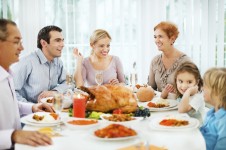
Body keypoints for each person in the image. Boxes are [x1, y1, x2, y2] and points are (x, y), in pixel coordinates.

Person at [0, 18, 53, 149]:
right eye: (16, 42)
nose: (22, 47)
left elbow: (10, 105)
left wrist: (32, 108)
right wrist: (13, 135)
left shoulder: (7, 75)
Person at [12, 25, 68, 103]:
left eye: (62, 40)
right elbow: (12, 92)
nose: (62, 44)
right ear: (44, 43)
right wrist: (32, 107)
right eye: (58, 40)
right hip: (30, 113)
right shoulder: (26, 62)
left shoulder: (58, 61)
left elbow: (68, 83)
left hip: (51, 110)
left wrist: (55, 92)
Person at [147, 21, 191, 98]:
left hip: (180, 107)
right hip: (160, 106)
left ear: (172, 39)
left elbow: (192, 92)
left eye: (160, 36)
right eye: (155, 37)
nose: (156, 40)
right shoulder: (155, 61)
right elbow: (151, 88)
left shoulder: (185, 62)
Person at [200, 68, 226, 150]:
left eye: (205, 86)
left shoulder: (223, 122)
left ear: (217, 91)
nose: (202, 88)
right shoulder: (211, 112)